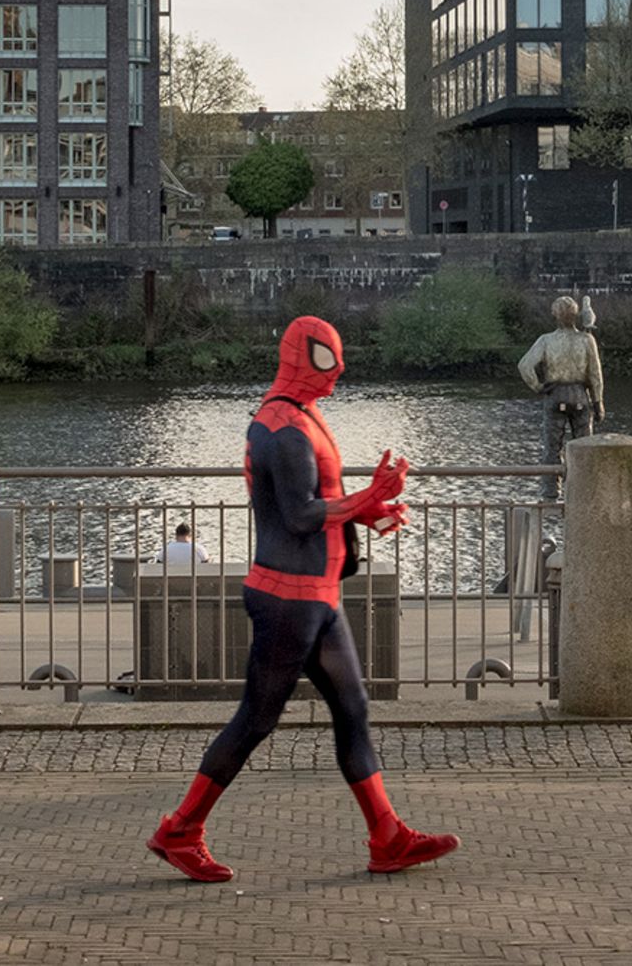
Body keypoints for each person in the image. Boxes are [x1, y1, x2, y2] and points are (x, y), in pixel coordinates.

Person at [147, 316, 458, 882]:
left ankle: (387, 837)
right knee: (257, 719)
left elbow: (320, 502)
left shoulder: (302, 418)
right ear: (299, 358)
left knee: (353, 711)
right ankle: (179, 830)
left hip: (315, 597)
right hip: (289, 600)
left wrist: (371, 508)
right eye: (325, 362)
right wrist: (369, 495)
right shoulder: (283, 429)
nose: (336, 374)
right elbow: (300, 515)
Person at [517, 296, 604, 499]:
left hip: (555, 395)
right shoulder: (586, 339)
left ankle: (550, 489)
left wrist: (538, 386)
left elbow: (524, 365)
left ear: (555, 315)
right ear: (576, 315)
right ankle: (584, 487)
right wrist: (598, 402)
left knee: (552, 446)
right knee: (583, 446)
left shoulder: (546, 340)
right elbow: (595, 374)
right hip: (580, 396)